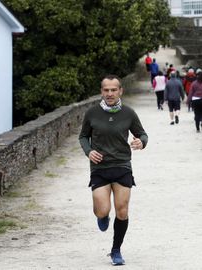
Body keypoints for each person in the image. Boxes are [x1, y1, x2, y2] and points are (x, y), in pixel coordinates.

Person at [78, 74, 148, 265]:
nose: (110, 93)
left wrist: (141, 142)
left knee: (122, 210)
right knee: (102, 210)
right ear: (101, 91)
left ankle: (116, 250)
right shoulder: (92, 113)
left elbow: (142, 133)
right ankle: (102, 217)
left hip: (122, 165)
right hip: (100, 167)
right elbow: (83, 136)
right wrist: (89, 151)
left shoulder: (128, 113)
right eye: (106, 90)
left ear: (120, 91)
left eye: (113, 90)